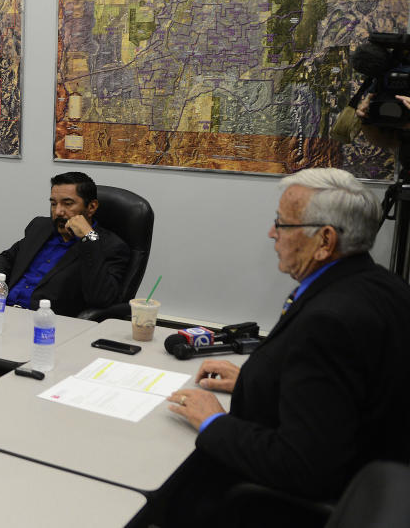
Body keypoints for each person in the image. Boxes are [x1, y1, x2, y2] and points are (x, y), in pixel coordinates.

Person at [162, 168, 410, 527]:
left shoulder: (329, 321)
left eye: (282, 223)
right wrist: (261, 381)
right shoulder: (382, 285)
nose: (271, 233)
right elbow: (343, 393)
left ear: (324, 240)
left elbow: (304, 466)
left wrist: (213, 420)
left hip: (280, 505)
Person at [0, 172, 129, 317]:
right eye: (53, 203)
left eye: (68, 204)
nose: (58, 211)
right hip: (1, 313)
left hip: (46, 324)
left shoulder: (111, 246)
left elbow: (101, 298)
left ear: (91, 207)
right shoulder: (40, 227)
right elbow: (6, 258)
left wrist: (88, 238)